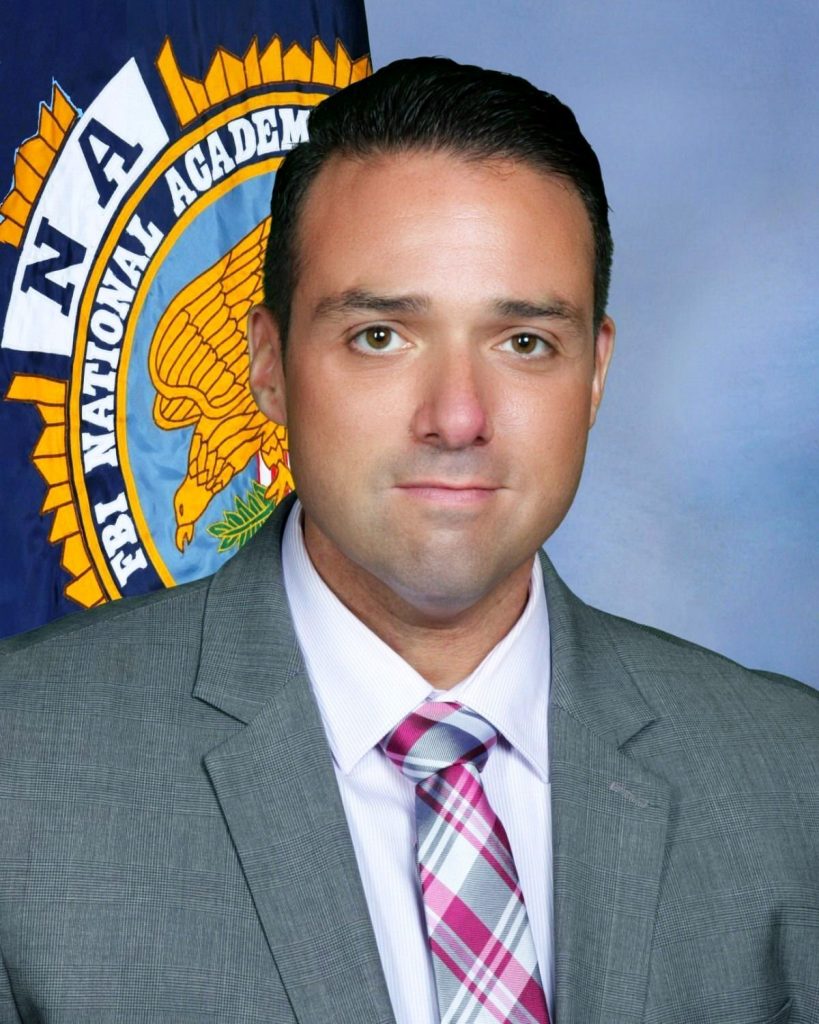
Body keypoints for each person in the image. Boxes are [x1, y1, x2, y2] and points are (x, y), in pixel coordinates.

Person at [0, 57, 816, 1024]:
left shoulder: (789, 775)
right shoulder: (23, 774)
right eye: (381, 336)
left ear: (594, 374)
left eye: (523, 342)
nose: (457, 418)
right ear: (267, 365)